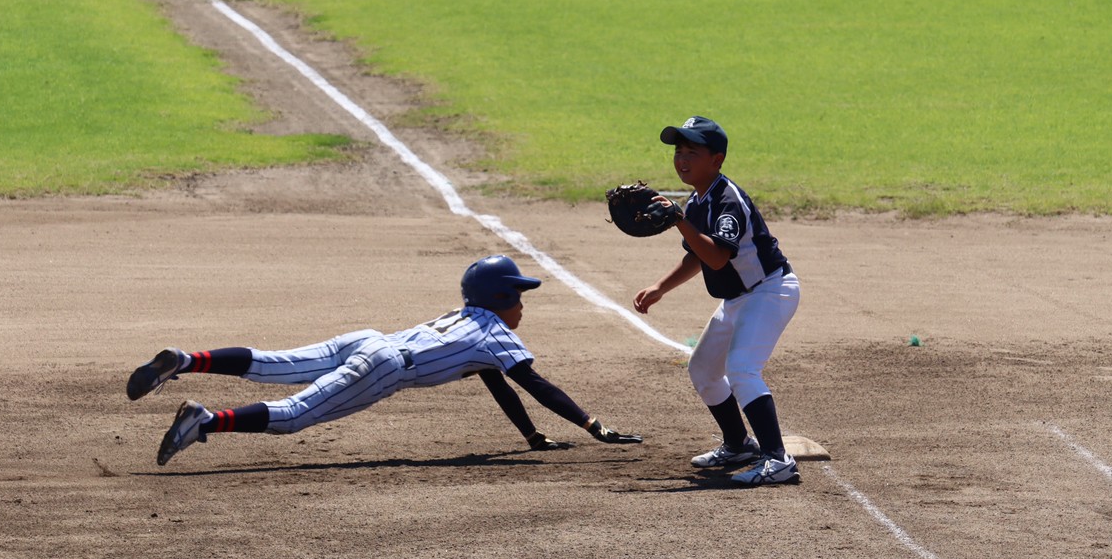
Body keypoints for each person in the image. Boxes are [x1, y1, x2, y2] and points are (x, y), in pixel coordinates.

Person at [128, 254, 643, 467]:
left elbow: (498, 384)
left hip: (366, 340)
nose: (522, 305)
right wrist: (592, 425)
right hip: (385, 366)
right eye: (519, 295)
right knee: (293, 416)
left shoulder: (462, 319)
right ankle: (206, 421)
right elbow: (534, 383)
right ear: (502, 298)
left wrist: (531, 439)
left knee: (270, 362)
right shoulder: (495, 335)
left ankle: (186, 360)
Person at [631, 116, 802, 486]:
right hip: (739, 299)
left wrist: (678, 219)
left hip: (769, 291)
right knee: (704, 370)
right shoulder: (696, 203)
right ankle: (739, 444)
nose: (681, 159)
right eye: (678, 152)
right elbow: (697, 255)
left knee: (742, 368)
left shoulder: (727, 200)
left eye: (692, 151)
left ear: (717, 159)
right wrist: (661, 287)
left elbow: (718, 258)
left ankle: (778, 459)